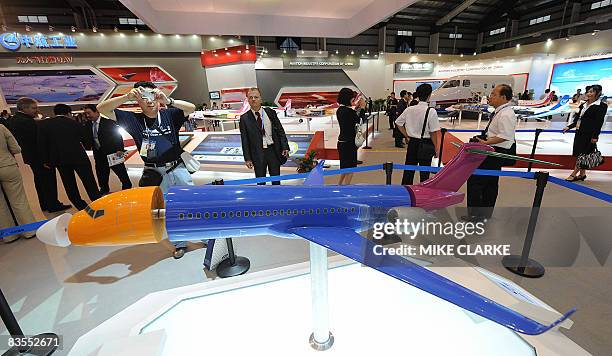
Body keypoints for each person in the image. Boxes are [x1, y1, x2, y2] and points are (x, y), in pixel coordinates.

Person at [97, 81, 198, 259]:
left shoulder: (169, 114)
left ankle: (199, 235)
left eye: (152, 95)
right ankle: (179, 243)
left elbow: (191, 108)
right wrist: (126, 97)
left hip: (178, 168)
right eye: (144, 97)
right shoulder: (133, 119)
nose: (149, 100)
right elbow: (102, 109)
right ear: (138, 100)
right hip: (156, 174)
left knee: (190, 204)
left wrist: (169, 100)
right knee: (167, 210)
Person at [464, 84, 517, 222]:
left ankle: (475, 215)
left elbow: (505, 136)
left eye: (493, 94)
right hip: (493, 149)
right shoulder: (501, 112)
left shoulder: (506, 114)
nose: (490, 97)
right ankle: (484, 214)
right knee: (490, 183)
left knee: (476, 181)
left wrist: (485, 143)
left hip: (494, 152)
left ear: (503, 97)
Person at [7, 98, 69, 213]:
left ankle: (44, 204)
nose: (36, 110)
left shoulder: (15, 119)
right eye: (34, 108)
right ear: (24, 108)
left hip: (31, 157)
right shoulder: (27, 121)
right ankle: (53, 204)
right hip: (40, 157)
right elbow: (38, 141)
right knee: (48, 181)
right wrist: (46, 158)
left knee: (40, 182)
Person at [38, 104, 101, 211]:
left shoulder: (44, 124)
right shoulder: (75, 123)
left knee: (69, 184)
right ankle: (97, 202)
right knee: (88, 180)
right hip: (79, 157)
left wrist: (45, 160)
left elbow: (41, 143)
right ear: (68, 113)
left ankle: (81, 207)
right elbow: (86, 142)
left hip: (60, 159)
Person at [239, 87, 289, 185]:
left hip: (273, 151)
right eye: (251, 97)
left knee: (276, 181)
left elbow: (280, 131)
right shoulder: (244, 119)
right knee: (261, 182)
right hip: (257, 154)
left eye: (256, 97)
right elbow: (244, 140)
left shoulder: (270, 113)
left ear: (261, 99)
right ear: (248, 100)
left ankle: (276, 197)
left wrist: (285, 146)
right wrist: (247, 158)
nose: (253, 99)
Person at [395, 84, 441, 185]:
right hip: (426, 144)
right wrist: (437, 149)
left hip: (412, 143)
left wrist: (407, 135)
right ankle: (423, 195)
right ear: (429, 95)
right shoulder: (431, 111)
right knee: (424, 173)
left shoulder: (409, 109)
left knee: (408, 171)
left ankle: (405, 193)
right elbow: (433, 133)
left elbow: (398, 122)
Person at [82, 104, 132, 195]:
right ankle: (104, 187)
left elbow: (117, 136)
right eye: (85, 114)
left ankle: (127, 185)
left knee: (120, 170)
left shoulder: (108, 122)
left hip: (113, 152)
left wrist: (120, 149)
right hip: (98, 152)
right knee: (101, 172)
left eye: (89, 113)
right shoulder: (88, 124)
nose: (87, 115)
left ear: (97, 112)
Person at [0, 124, 37, 243]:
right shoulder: (1, 127)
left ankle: (8, 235)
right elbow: (16, 148)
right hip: (7, 165)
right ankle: (29, 231)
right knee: (19, 199)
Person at [563, 85, 606, 182]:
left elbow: (599, 122)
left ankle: (573, 174)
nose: (589, 94)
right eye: (588, 92)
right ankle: (582, 174)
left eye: (592, 92)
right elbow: (578, 119)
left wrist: (595, 136)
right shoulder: (583, 104)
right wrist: (569, 127)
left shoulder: (601, 106)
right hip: (579, 132)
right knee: (581, 154)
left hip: (589, 134)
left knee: (582, 154)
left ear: (597, 93)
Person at [336, 88, 365, 185]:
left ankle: (339, 184)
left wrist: (357, 108)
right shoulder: (349, 112)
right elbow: (360, 121)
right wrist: (362, 108)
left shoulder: (340, 110)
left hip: (341, 142)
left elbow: (351, 118)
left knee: (344, 167)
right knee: (351, 168)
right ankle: (346, 187)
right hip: (349, 143)